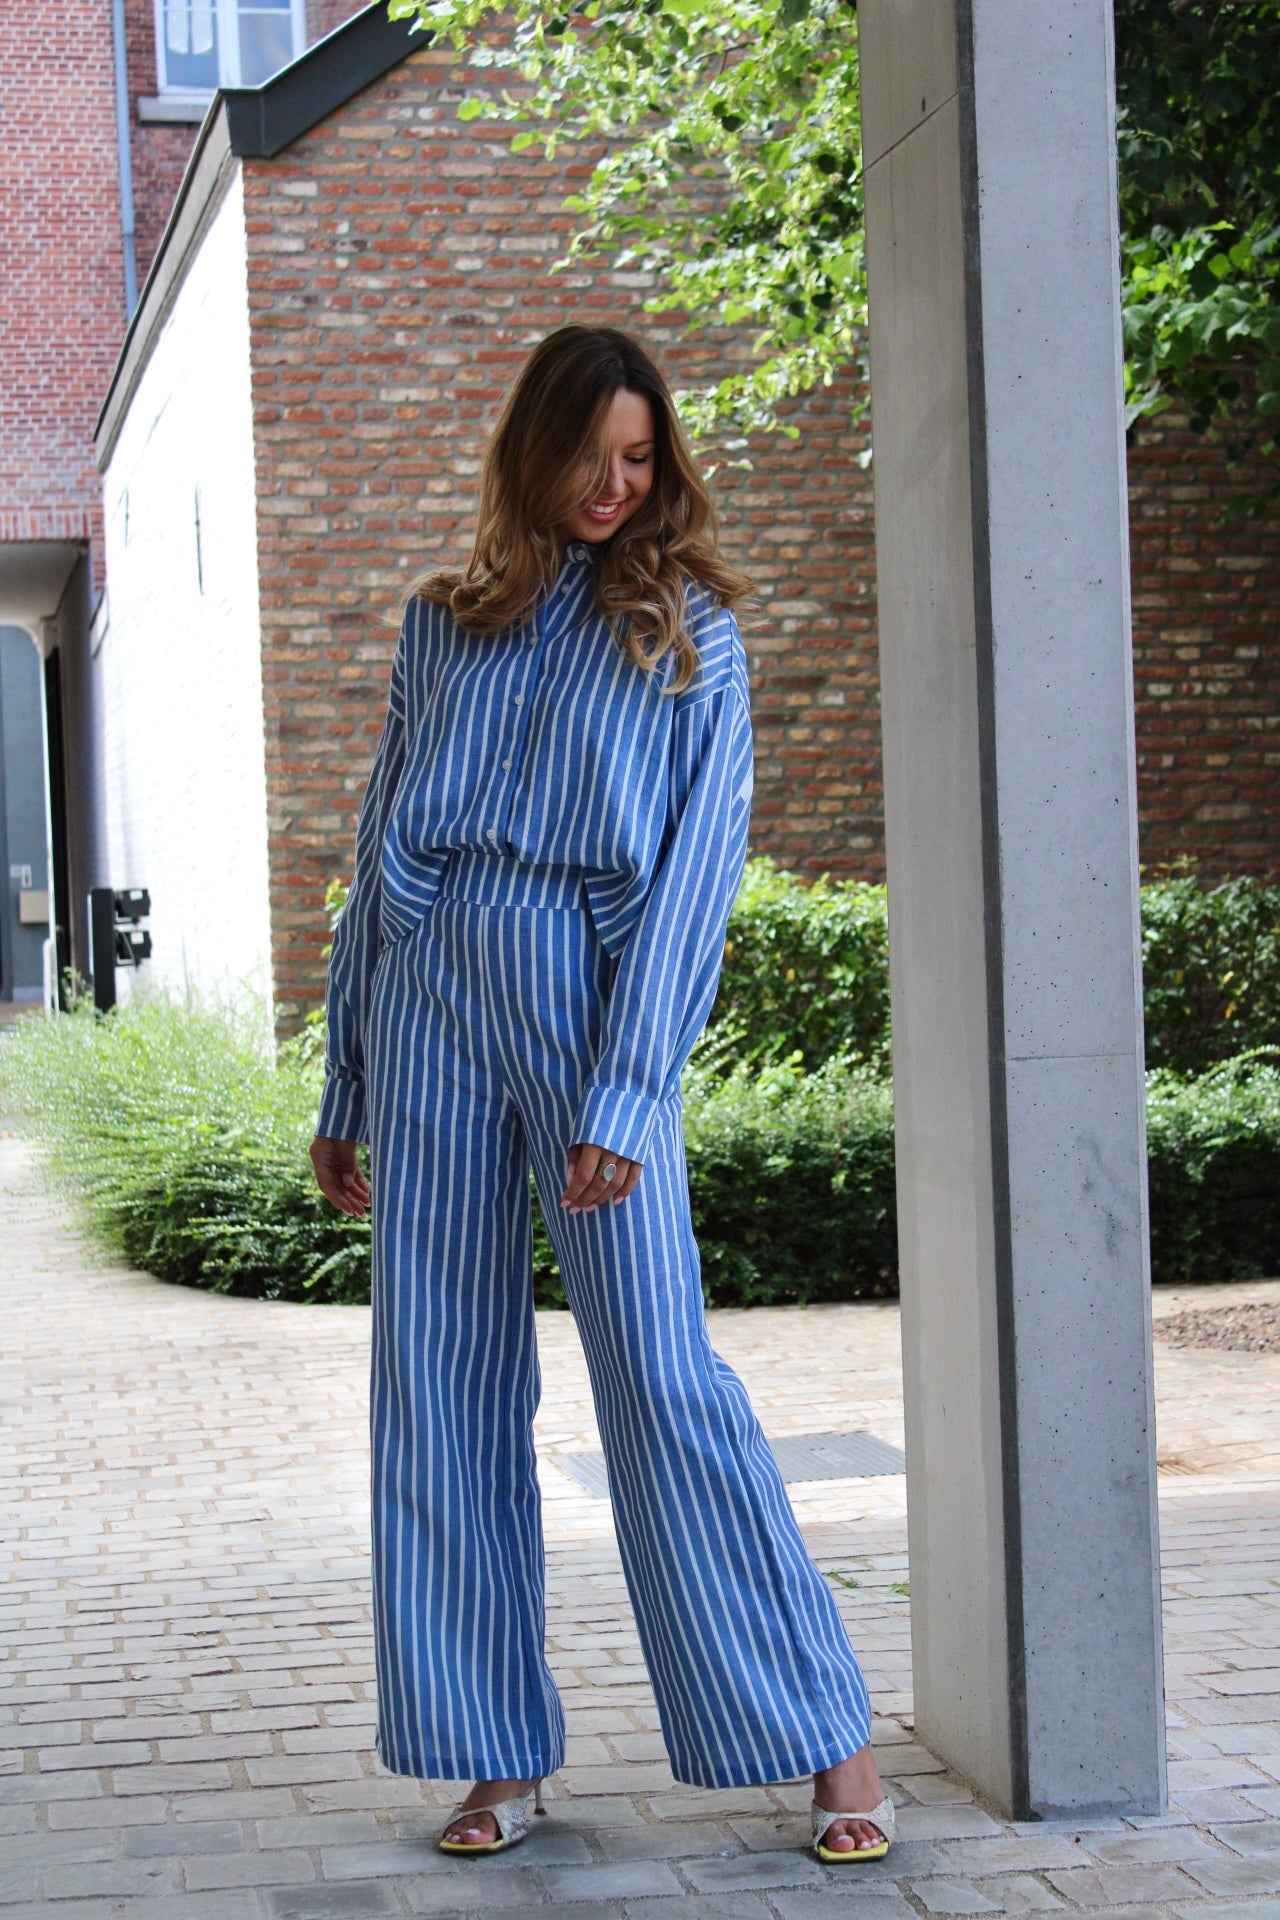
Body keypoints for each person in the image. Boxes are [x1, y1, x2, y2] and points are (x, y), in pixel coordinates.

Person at [309, 324, 894, 1865]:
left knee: (661, 1374)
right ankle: (489, 1747)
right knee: (436, 1379)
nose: (614, 488)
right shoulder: (444, 623)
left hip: (588, 998)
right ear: (533, 451)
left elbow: (699, 883)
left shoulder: (692, 636)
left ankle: (823, 1734)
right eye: (590, 458)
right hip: (431, 992)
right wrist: (346, 1076)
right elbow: (380, 860)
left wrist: (628, 1096)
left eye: (640, 462)